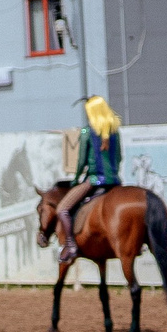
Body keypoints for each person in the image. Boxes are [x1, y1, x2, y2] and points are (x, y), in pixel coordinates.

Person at [54, 96, 124, 266]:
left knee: (62, 209)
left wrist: (77, 179)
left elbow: (81, 161)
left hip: (95, 180)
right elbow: (119, 158)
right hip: (115, 181)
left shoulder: (86, 131)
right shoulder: (115, 131)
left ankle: (71, 246)